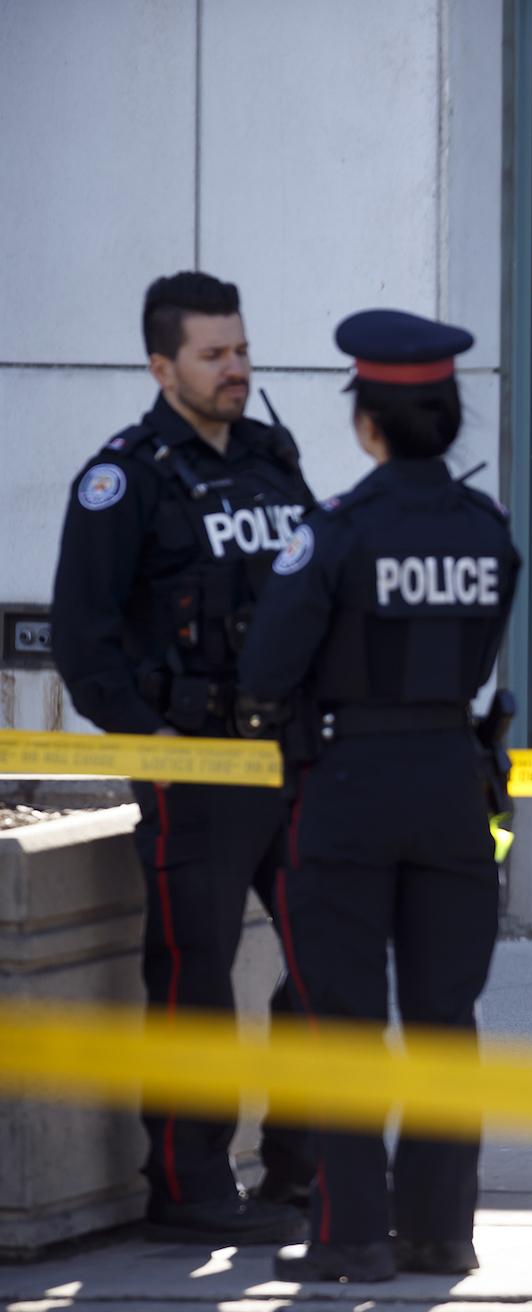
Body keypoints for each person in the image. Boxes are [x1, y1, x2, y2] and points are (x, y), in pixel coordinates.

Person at [239, 308, 520, 1283]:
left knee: (341, 1017)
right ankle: (441, 1233)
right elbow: (477, 658)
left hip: (348, 788)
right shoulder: (488, 533)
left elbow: (267, 670)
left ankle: (350, 1236)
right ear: (448, 421)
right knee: (447, 1018)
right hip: (453, 781)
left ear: (368, 425)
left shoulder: (337, 534)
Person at [51, 270, 316, 1244]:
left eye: (242, 349)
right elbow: (83, 636)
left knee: (326, 956)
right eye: (214, 355)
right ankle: (190, 1185)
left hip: (288, 757)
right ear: (163, 366)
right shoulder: (124, 479)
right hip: (194, 767)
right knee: (194, 978)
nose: (236, 369)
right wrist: (147, 737)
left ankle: (302, 1162)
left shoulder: (270, 458)